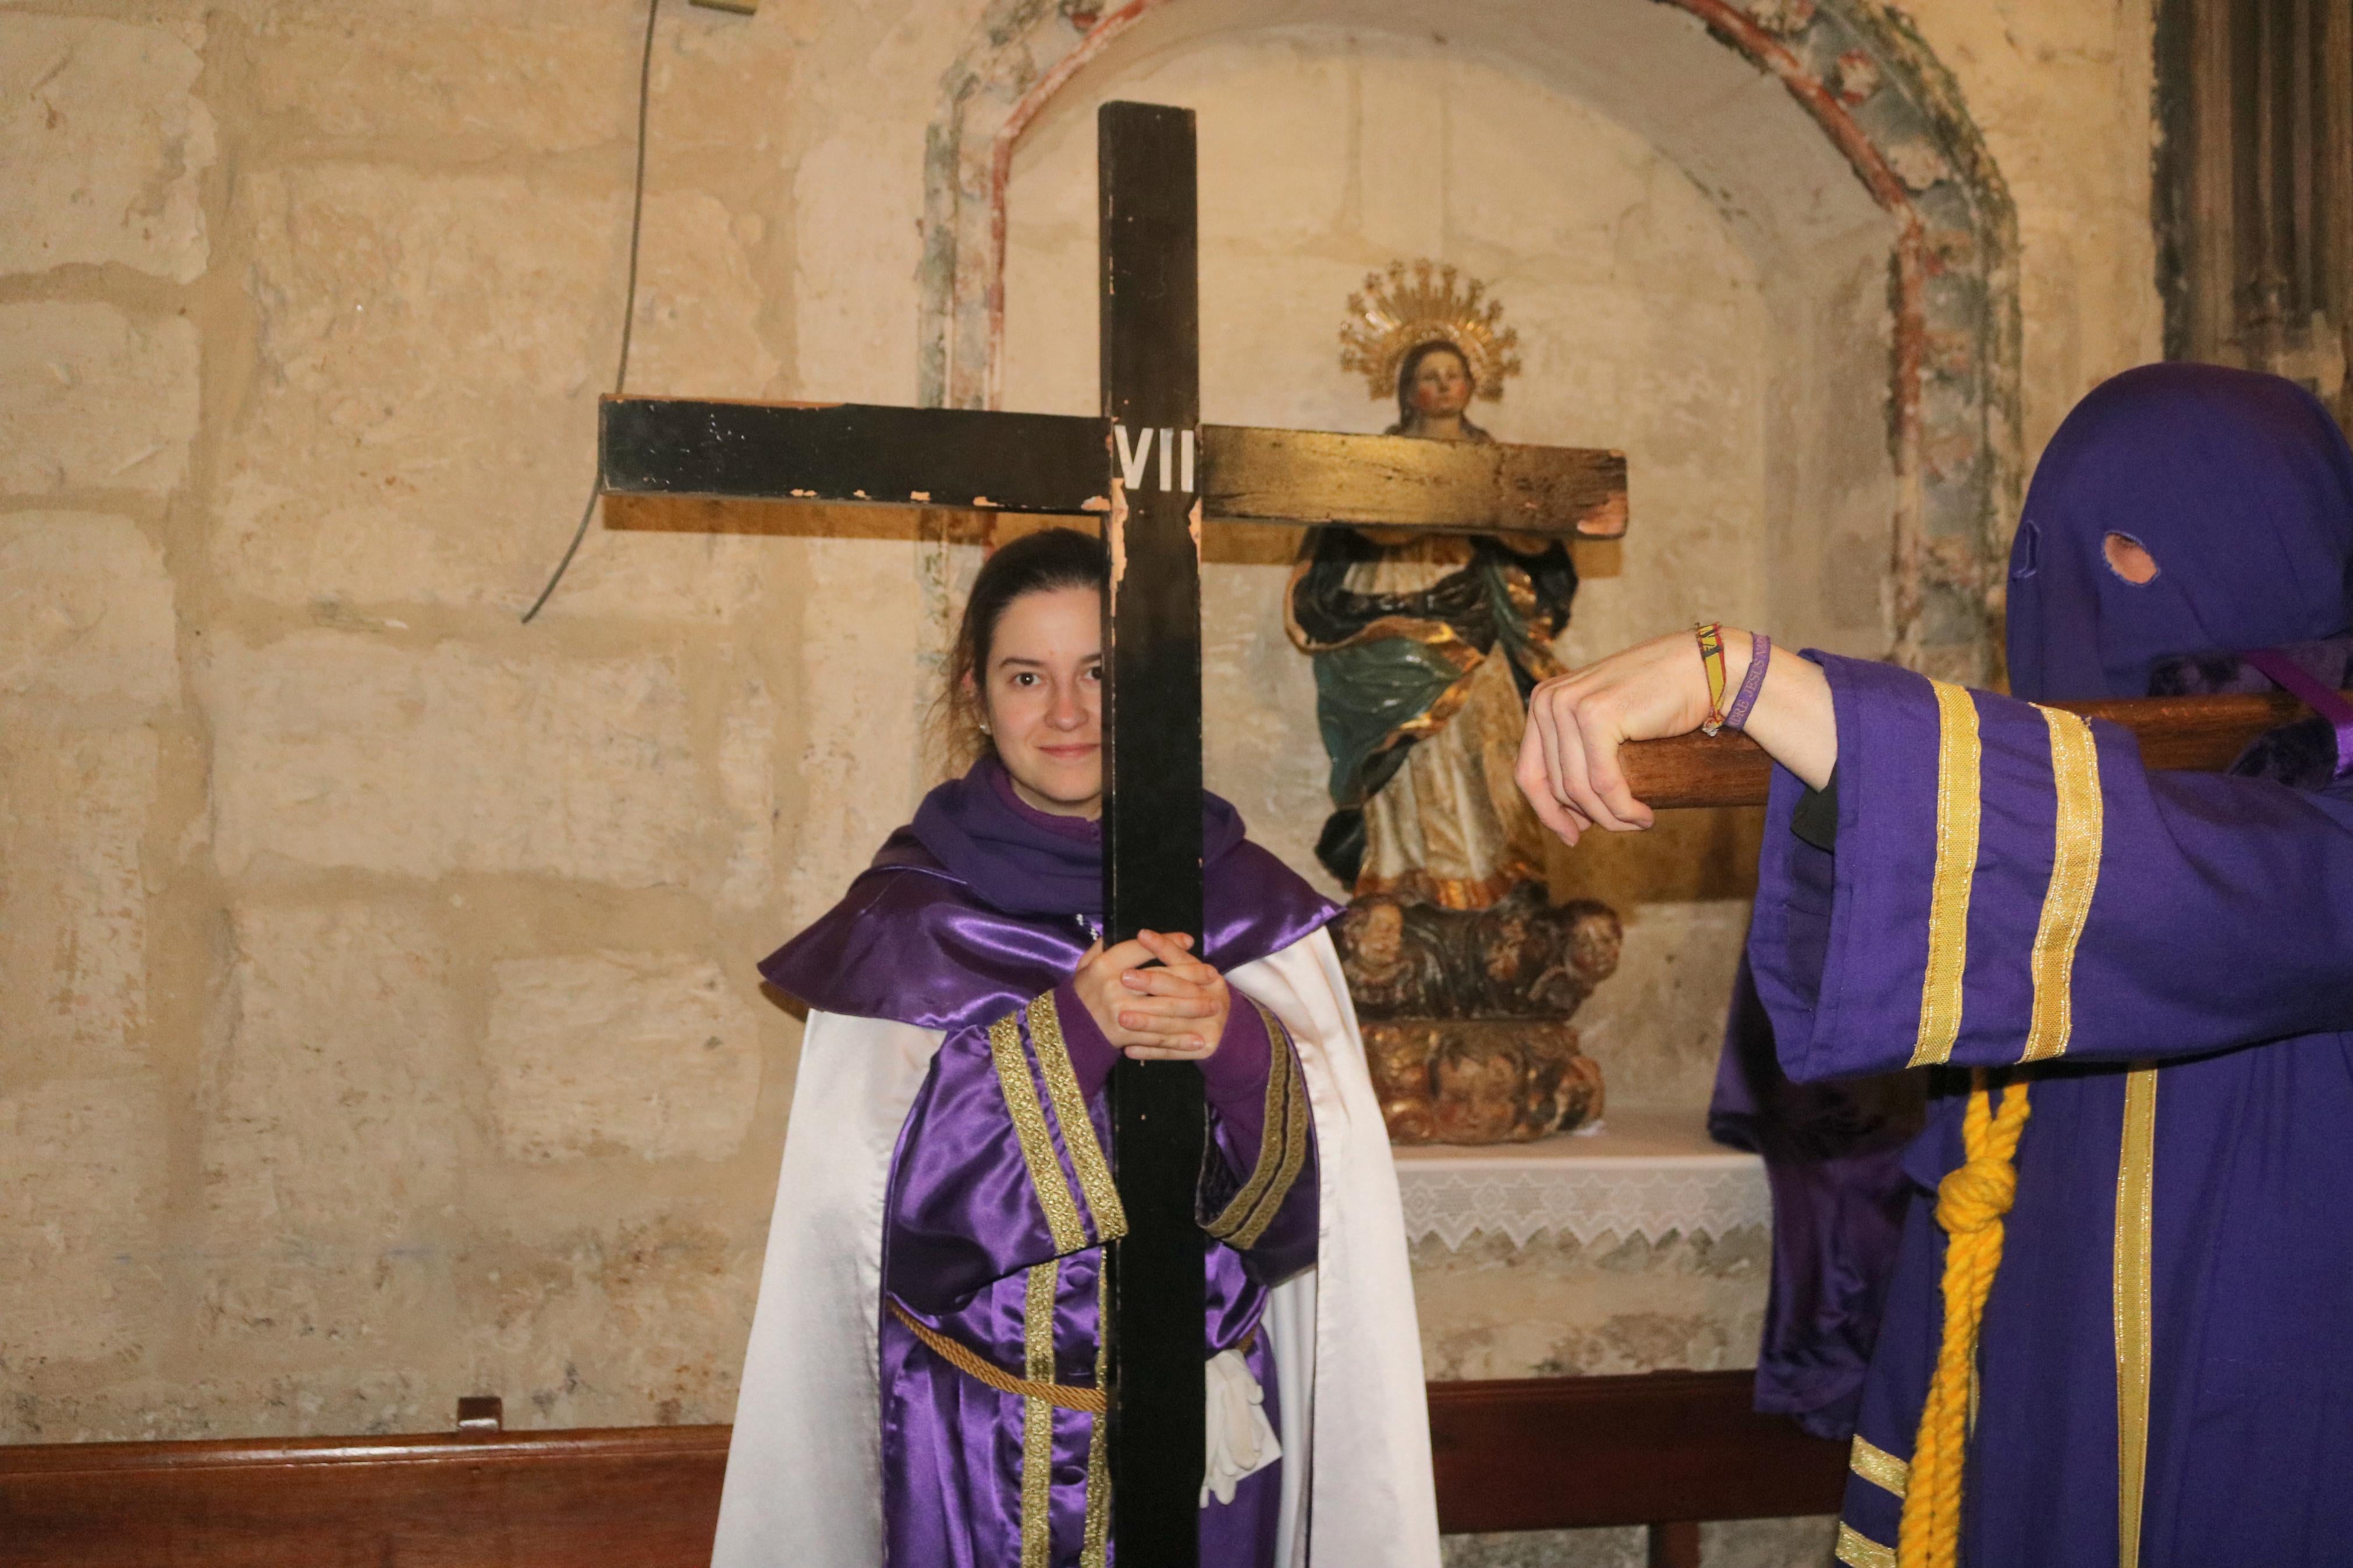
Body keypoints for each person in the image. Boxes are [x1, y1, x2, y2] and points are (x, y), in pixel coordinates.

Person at [1516, 364, 2353, 1566]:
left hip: (2263, 1416)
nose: (2076, 592)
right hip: (2041, 1395)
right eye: (2054, 551)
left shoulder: (2304, 804)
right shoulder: (2097, 772)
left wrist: (1760, 681)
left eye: (2124, 547)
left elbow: (2190, 888)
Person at [711, 527, 1440, 1568]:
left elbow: (1307, 1229)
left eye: (1099, 672)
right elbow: (887, 1240)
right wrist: (1074, 1035)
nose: (1066, 712)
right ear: (974, 693)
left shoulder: (1242, 904)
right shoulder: (908, 926)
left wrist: (1235, 1043)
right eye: (1026, 676)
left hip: (1207, 1453)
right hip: (977, 1454)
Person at [1287, 338, 1575, 908]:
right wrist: (1421, 502)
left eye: (1453, 375)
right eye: (1429, 376)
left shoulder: (1495, 459)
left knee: (1486, 737)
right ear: (1406, 391)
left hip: (1475, 611)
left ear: (1470, 385)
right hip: (1394, 597)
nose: (1443, 386)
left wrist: (1488, 508)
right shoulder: (1378, 459)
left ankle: (1492, 868)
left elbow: (1535, 540)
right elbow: (1352, 530)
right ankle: (1403, 868)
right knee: (1408, 748)